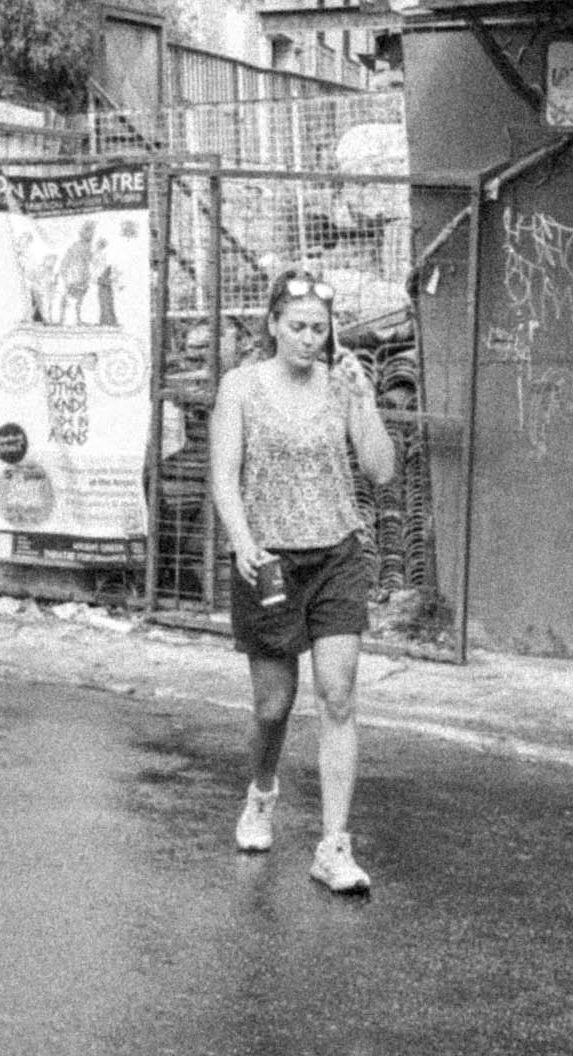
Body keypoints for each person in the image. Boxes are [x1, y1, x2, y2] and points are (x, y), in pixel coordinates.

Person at [209, 268, 396, 892]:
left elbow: (381, 471)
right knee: (273, 705)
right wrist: (242, 541)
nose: (309, 339)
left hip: (336, 555)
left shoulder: (342, 385)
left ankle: (334, 846)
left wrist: (364, 401)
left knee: (338, 697)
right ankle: (262, 793)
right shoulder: (241, 386)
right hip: (269, 562)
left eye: (319, 328)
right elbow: (224, 475)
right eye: (297, 327)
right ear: (273, 325)